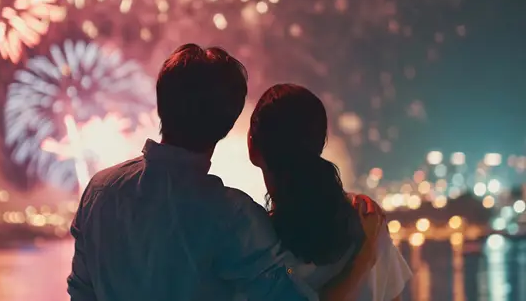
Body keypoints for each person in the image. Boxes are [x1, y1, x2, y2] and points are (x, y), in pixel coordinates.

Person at [68, 44, 383, 301]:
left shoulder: (99, 192)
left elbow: (81, 292)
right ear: (229, 124)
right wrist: (365, 256)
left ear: (161, 104)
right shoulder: (235, 218)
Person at [248, 84, 412, 301]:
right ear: (321, 143)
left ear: (252, 147)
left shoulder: (252, 238)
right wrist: (365, 255)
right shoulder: (367, 219)